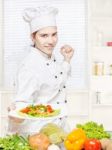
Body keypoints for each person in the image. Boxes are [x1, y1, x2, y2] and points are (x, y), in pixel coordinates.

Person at [8, 6, 74, 136]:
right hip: (38, 134)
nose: (51, 41)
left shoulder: (49, 57)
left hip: (57, 129)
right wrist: (15, 115)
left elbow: (56, 79)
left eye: (54, 34)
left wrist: (66, 60)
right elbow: (21, 105)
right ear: (33, 37)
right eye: (44, 36)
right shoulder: (29, 67)